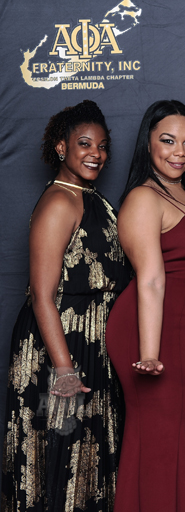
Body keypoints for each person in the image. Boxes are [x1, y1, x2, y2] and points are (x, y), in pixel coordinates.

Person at [2, 101, 129, 512]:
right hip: (61, 346)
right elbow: (42, 295)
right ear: (62, 147)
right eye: (85, 144)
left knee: (88, 460)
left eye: (103, 146)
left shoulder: (92, 199)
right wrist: (64, 370)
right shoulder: (60, 202)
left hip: (93, 343)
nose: (96, 154)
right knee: (63, 456)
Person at [105, 100, 185, 512]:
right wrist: (149, 354)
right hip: (149, 331)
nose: (179, 152)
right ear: (147, 143)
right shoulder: (143, 197)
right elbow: (151, 278)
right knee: (160, 437)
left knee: (174, 436)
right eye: (168, 141)